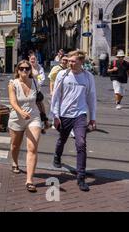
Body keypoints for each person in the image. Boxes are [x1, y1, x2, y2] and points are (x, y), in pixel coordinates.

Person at [51, 50, 97, 192]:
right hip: (64, 114)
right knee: (62, 139)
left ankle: (81, 177)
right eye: (69, 61)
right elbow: (56, 96)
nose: (70, 63)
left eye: (73, 61)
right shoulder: (62, 74)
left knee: (81, 143)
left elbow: (91, 97)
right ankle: (57, 156)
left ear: (81, 62)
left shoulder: (88, 77)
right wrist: (55, 115)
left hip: (80, 115)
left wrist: (93, 118)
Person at [8, 60, 47, 193]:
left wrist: (45, 118)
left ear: (30, 70)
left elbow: (40, 101)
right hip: (17, 118)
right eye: (21, 68)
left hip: (33, 117)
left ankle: (29, 180)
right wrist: (21, 112)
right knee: (15, 145)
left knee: (33, 147)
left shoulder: (35, 83)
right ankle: (15, 162)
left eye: (27, 69)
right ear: (17, 70)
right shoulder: (13, 84)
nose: (24, 71)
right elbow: (12, 102)